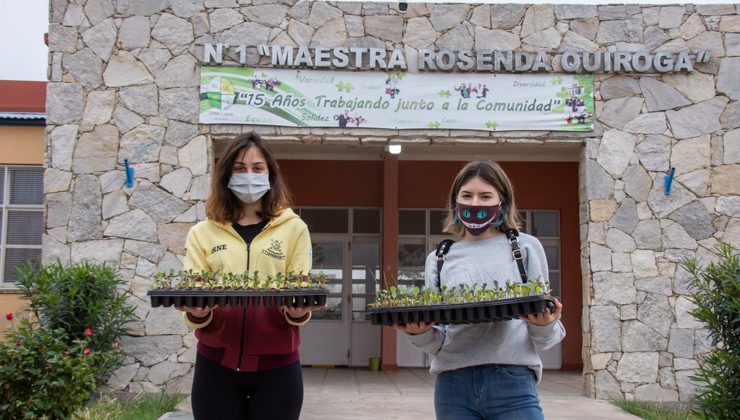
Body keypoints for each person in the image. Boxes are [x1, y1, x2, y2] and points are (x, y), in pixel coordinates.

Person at [395, 160, 565, 420]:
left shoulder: (525, 248)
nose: (475, 203)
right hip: (453, 385)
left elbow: (546, 338)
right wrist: (420, 334)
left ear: (502, 202)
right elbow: (437, 342)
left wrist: (544, 324)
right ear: (455, 202)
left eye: (486, 196)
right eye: (467, 195)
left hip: (513, 382)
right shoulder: (440, 258)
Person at [179, 132, 322, 419]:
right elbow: (194, 296)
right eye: (240, 168)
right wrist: (196, 312)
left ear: (270, 175)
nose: (249, 175)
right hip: (215, 367)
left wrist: (297, 311)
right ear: (226, 174)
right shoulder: (202, 233)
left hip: (278, 369)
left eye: (258, 168)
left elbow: (298, 294)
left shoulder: (294, 229)